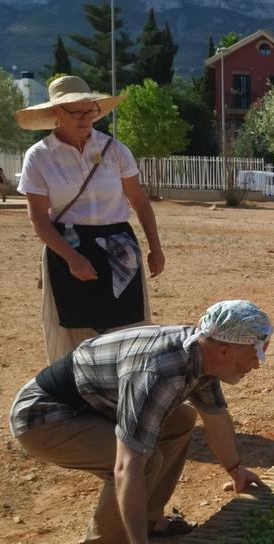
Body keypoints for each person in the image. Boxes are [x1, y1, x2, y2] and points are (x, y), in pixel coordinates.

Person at [9, 300, 273, 544]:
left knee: (183, 419)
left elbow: (215, 417)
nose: (256, 364)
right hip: (45, 417)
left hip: (95, 405)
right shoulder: (159, 373)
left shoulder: (202, 355)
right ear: (225, 350)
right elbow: (127, 467)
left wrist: (235, 469)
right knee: (145, 462)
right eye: (254, 354)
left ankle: (149, 519)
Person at [14, 75, 166, 363]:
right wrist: (72, 258)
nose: (85, 118)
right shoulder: (39, 157)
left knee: (127, 326)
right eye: (75, 111)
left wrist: (155, 249)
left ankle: (127, 393)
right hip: (68, 247)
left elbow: (140, 202)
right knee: (75, 329)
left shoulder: (115, 150)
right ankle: (77, 397)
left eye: (89, 110)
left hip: (120, 247)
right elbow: (38, 219)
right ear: (56, 113)